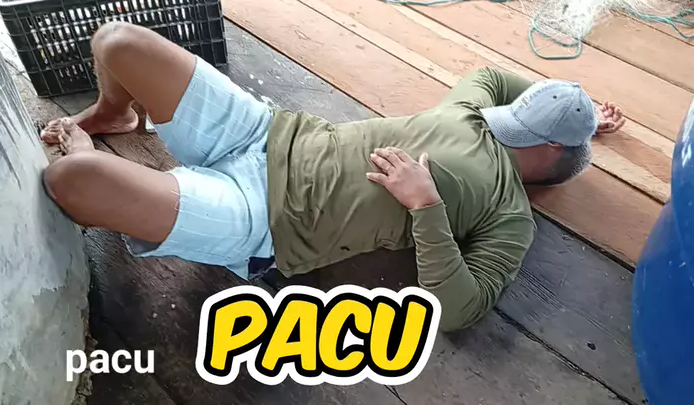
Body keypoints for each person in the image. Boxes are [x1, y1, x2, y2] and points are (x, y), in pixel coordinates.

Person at [41, 22, 625, 332]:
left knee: (76, 180)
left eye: (526, 124)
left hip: (263, 217)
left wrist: (427, 209)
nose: (508, 114)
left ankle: (99, 151)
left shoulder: (509, 217)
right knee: (117, 41)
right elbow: (493, 75)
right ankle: (116, 115)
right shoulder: (477, 107)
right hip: (267, 132)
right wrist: (575, 115)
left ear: (550, 153)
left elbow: (459, 310)